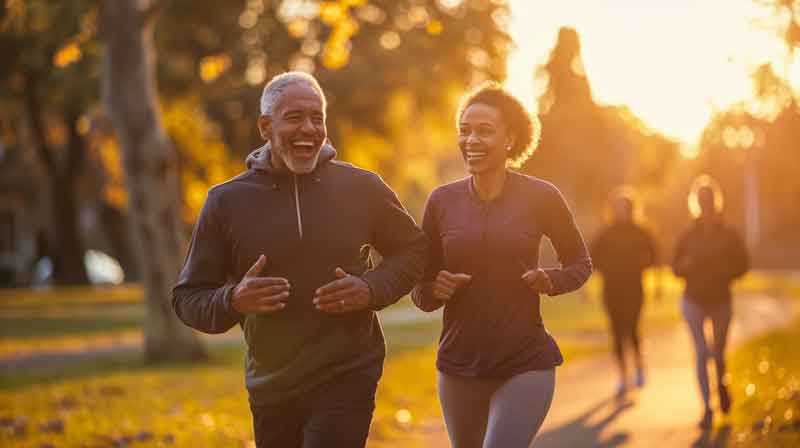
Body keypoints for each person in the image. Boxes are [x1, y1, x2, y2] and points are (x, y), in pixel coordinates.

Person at [172, 72, 427, 448]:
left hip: (347, 372)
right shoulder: (225, 202)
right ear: (265, 126)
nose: (308, 127)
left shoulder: (362, 188)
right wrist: (233, 300)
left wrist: (372, 288)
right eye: (294, 117)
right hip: (270, 383)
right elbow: (187, 298)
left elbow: (414, 249)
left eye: (317, 117)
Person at [411, 82, 592, 448]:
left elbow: (580, 262)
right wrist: (434, 289)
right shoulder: (441, 202)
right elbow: (420, 286)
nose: (471, 140)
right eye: (465, 131)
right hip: (459, 364)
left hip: (525, 360)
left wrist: (550, 280)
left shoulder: (541, 197)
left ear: (510, 139)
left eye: (484, 131)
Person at [672, 175, 749, 429]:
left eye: (709, 199)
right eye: (701, 200)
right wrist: (685, 266)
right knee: (701, 352)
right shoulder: (687, 234)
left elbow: (744, 264)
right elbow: (674, 266)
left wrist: (726, 271)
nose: (705, 204)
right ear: (696, 202)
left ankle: (723, 386)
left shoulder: (729, 233)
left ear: (716, 201)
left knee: (718, 352)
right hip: (693, 299)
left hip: (720, 299)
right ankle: (707, 407)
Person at [590, 188, 658, 396]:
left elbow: (654, 256)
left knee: (633, 328)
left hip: (634, 288)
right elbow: (591, 259)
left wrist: (651, 274)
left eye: (624, 208)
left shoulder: (641, 232)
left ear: (631, 209)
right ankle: (622, 376)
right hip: (611, 290)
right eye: (617, 208)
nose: (621, 212)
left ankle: (638, 366)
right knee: (617, 332)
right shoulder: (606, 234)